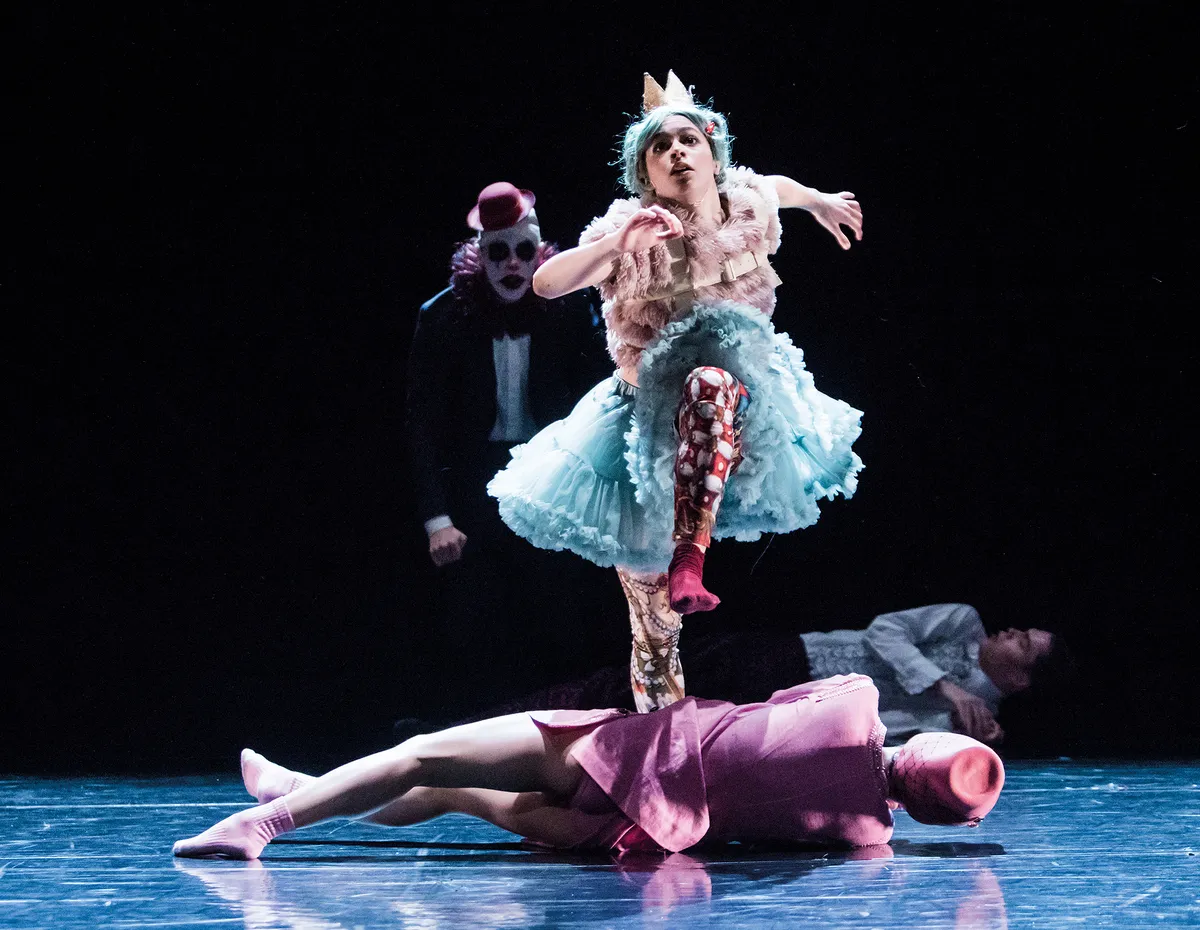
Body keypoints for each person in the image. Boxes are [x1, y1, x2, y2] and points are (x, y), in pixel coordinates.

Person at [487, 71, 866, 710]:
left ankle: (691, 556)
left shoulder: (746, 204)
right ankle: (663, 734)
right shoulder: (630, 229)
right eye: (659, 148)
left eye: (688, 140)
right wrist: (618, 243)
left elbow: (777, 187)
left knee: (710, 383)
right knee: (654, 626)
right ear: (645, 174)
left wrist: (819, 200)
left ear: (713, 154)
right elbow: (547, 284)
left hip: (741, 408)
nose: (676, 153)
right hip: (644, 425)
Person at [173, 674, 1005, 860]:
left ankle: (264, 822)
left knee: (423, 754)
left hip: (617, 760)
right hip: (624, 836)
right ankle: (296, 792)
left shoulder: (856, 700)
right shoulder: (864, 839)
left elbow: (777, 703)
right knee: (449, 791)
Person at [407, 181, 609, 697]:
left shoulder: (567, 309)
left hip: (549, 473)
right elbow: (423, 423)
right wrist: (437, 519)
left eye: (524, 250)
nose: (513, 264)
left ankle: (571, 721)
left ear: (539, 252)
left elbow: (598, 398)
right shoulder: (442, 317)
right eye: (499, 252)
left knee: (562, 613)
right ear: (480, 256)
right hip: (474, 482)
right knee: (474, 621)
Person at [437, 603, 1068, 746]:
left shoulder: (979, 722)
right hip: (786, 658)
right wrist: (943, 684)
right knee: (633, 686)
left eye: (1023, 645)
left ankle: (510, 737)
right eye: (1019, 629)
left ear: (1021, 681)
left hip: (790, 712)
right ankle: (473, 724)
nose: (1009, 633)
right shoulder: (962, 623)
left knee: (644, 724)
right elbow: (885, 631)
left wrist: (963, 731)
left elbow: (889, 739)